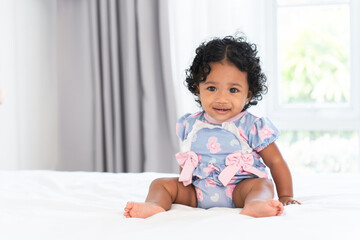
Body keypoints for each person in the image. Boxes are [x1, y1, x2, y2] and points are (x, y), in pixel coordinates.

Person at [124, 35, 300, 219]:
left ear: (248, 95)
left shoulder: (252, 125)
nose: (221, 99)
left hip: (239, 191)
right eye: (211, 88)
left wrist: (286, 196)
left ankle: (255, 204)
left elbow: (275, 162)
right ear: (197, 89)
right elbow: (187, 161)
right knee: (160, 183)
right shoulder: (190, 124)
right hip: (198, 192)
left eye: (233, 90)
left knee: (263, 185)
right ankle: (155, 205)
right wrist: (184, 185)